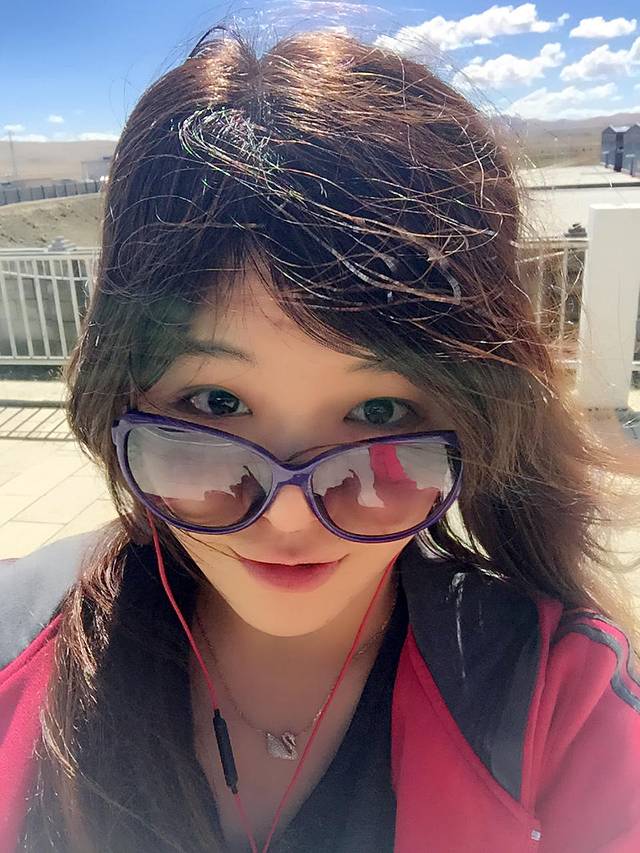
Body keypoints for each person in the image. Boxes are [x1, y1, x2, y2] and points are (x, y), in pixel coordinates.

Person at [1, 24, 639, 853]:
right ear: (121, 395)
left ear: (475, 417)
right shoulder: (16, 649)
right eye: (216, 401)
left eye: (378, 412)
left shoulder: (561, 698)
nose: (291, 517)